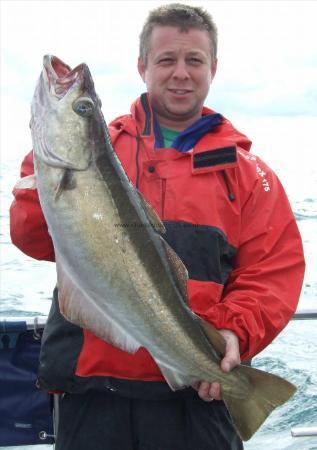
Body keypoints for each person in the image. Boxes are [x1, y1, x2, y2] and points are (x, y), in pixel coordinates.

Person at [10, 3, 305, 450]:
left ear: (214, 68)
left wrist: (233, 333)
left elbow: (273, 274)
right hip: (92, 391)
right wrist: (45, 167)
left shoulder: (248, 174)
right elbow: (30, 237)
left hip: (195, 397)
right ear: (142, 66)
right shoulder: (99, 149)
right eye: (167, 60)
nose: (181, 73)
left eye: (195, 60)